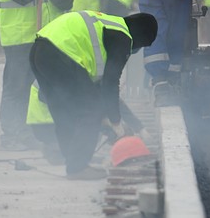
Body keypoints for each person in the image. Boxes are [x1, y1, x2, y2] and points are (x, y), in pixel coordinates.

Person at [29, 10, 157, 180]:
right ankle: (77, 167)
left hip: (40, 49)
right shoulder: (123, 37)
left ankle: (72, 158)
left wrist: (137, 125)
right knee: (91, 109)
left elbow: (103, 90)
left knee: (62, 109)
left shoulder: (108, 23)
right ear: (140, 37)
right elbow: (110, 85)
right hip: (62, 53)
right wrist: (116, 122)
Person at [0, 0, 52, 151]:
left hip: (34, 39)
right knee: (14, 88)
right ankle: (10, 134)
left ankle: (22, 131)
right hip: (17, 40)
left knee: (27, 88)